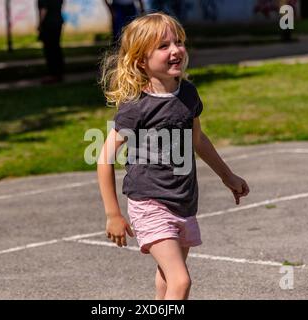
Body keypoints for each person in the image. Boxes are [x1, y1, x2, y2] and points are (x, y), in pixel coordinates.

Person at [97, 13, 250, 300]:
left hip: (183, 201)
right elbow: (104, 158)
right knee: (181, 282)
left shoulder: (188, 94)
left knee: (167, 280)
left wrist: (228, 176)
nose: (175, 50)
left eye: (178, 42)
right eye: (163, 46)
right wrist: (113, 214)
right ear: (141, 60)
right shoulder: (136, 107)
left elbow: (198, 140)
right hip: (149, 203)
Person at [37, 0, 64, 83]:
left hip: (48, 24)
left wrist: (40, 24)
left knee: (49, 50)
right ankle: (59, 73)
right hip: (58, 22)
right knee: (56, 48)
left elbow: (43, 10)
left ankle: (53, 74)